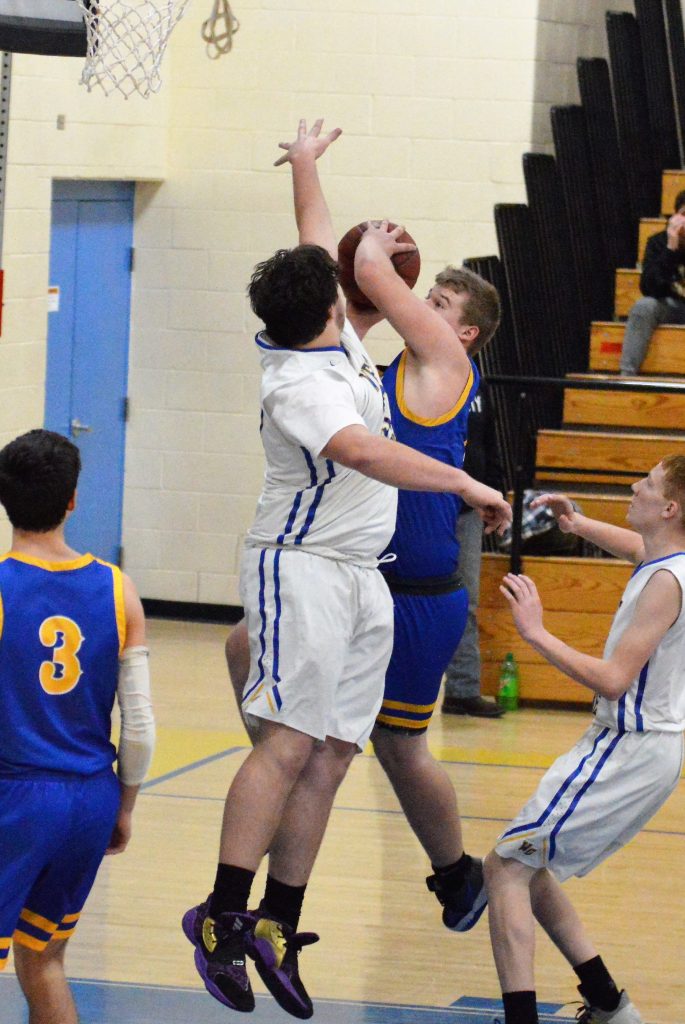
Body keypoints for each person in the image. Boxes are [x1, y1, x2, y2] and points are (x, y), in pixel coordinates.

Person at [184, 119, 511, 1020]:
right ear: (334, 305)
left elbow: (314, 238)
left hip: (363, 575)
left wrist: (304, 165)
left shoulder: (339, 345)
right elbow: (364, 453)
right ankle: (220, 915)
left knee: (331, 752)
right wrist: (464, 482)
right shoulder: (303, 381)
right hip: (302, 567)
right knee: (289, 744)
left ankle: (278, 922)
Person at [484, 456, 685, 1024]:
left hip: (628, 748)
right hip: (644, 748)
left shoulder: (666, 584)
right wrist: (576, 524)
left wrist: (535, 632)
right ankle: (609, 1005)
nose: (634, 485)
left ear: (670, 508)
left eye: (648, 483)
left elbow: (614, 680)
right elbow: (639, 549)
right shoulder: (669, 561)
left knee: (505, 868)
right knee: (528, 864)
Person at [0, 428, 155, 1024]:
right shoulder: (118, 589)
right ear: (72, 500)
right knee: (44, 960)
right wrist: (124, 804)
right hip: (90, 798)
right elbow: (139, 726)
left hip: (15, 795)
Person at [441, 379, 505, 718]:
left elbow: (487, 441)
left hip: (469, 510)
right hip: (428, 502)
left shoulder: (479, 385)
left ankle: (462, 689)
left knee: (466, 598)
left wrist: (495, 491)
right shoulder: (423, 373)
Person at [619, 189, 685, 375]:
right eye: (684, 215)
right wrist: (671, 248)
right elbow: (649, 287)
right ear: (675, 217)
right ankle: (627, 378)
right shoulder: (658, 242)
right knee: (644, 306)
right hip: (673, 307)